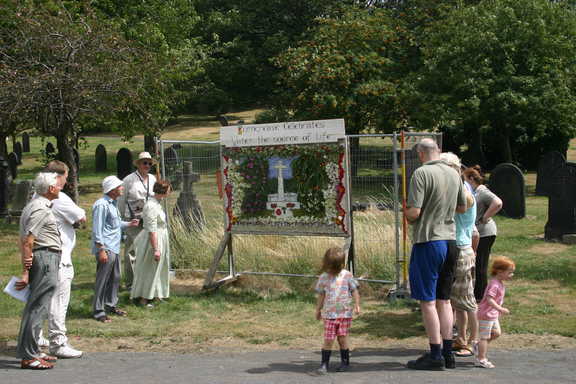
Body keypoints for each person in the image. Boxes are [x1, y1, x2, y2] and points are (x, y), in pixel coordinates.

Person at [404, 139, 467, 371]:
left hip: (429, 241)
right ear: (437, 151)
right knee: (444, 300)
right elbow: (463, 207)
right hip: (451, 241)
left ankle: (435, 354)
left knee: (428, 301)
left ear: (420, 154)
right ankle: (449, 353)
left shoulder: (421, 174)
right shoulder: (454, 173)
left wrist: (406, 211)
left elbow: (414, 212)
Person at [35, 161, 85, 358]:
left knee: (42, 300)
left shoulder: (36, 196)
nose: (67, 179)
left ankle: (37, 335)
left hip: (42, 254)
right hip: (59, 256)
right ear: (58, 177)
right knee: (58, 300)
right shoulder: (60, 197)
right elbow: (81, 217)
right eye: (65, 175)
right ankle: (58, 342)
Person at [15, 172, 62, 369]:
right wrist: (26, 271)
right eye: (58, 185)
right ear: (51, 189)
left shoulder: (33, 206)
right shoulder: (40, 208)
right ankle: (29, 355)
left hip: (43, 257)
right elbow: (28, 240)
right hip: (45, 258)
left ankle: (32, 350)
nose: (60, 188)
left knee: (37, 305)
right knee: (38, 307)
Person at [440, 153, 478, 358]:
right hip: (458, 246)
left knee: (467, 300)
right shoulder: (459, 187)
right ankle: (461, 338)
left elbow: (467, 204)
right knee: (457, 301)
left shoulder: (462, 189)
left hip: (461, 247)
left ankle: (474, 341)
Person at [92, 176, 139, 323]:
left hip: (114, 247)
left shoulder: (113, 204)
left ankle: (110, 305)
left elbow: (116, 223)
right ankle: (98, 311)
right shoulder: (101, 205)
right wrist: (101, 249)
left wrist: (129, 224)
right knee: (103, 280)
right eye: (120, 186)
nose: (122, 188)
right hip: (106, 248)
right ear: (112, 189)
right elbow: (97, 229)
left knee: (115, 279)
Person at [315, 247, 360, 374]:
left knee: (342, 338)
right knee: (328, 340)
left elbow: (354, 290)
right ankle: (324, 364)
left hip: (344, 314)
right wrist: (318, 310)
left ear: (342, 264)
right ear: (326, 264)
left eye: (335, 268)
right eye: (330, 268)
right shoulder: (324, 277)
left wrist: (357, 304)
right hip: (329, 315)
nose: (332, 272)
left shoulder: (347, 275)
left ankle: (345, 363)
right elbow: (321, 295)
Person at [463, 166, 503, 302]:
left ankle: (481, 296)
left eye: (465, 179)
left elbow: (497, 203)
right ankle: (479, 293)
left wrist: (485, 217)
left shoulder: (482, 190)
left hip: (485, 233)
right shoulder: (474, 191)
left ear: (472, 179)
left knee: (481, 264)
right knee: (477, 264)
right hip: (479, 233)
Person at [118, 152, 157, 290]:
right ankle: (131, 283)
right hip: (133, 220)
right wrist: (123, 220)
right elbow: (121, 200)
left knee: (148, 250)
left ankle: (144, 281)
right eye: (144, 163)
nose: (147, 165)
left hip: (148, 219)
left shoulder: (153, 178)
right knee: (131, 252)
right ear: (138, 164)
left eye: (149, 163)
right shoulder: (129, 180)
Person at [130, 180, 172, 307]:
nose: (170, 192)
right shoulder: (151, 206)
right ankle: (144, 298)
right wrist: (156, 249)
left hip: (161, 236)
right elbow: (152, 230)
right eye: (169, 189)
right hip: (154, 240)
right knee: (149, 269)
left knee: (159, 268)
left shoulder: (157, 203)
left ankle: (156, 294)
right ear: (163, 191)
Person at [476, 256, 515, 369]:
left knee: (497, 333)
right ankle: (481, 358)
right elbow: (489, 299)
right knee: (484, 337)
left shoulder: (500, 283)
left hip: (493, 314)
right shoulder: (494, 284)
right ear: (500, 271)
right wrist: (500, 308)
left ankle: (478, 347)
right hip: (486, 314)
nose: (511, 275)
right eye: (509, 272)